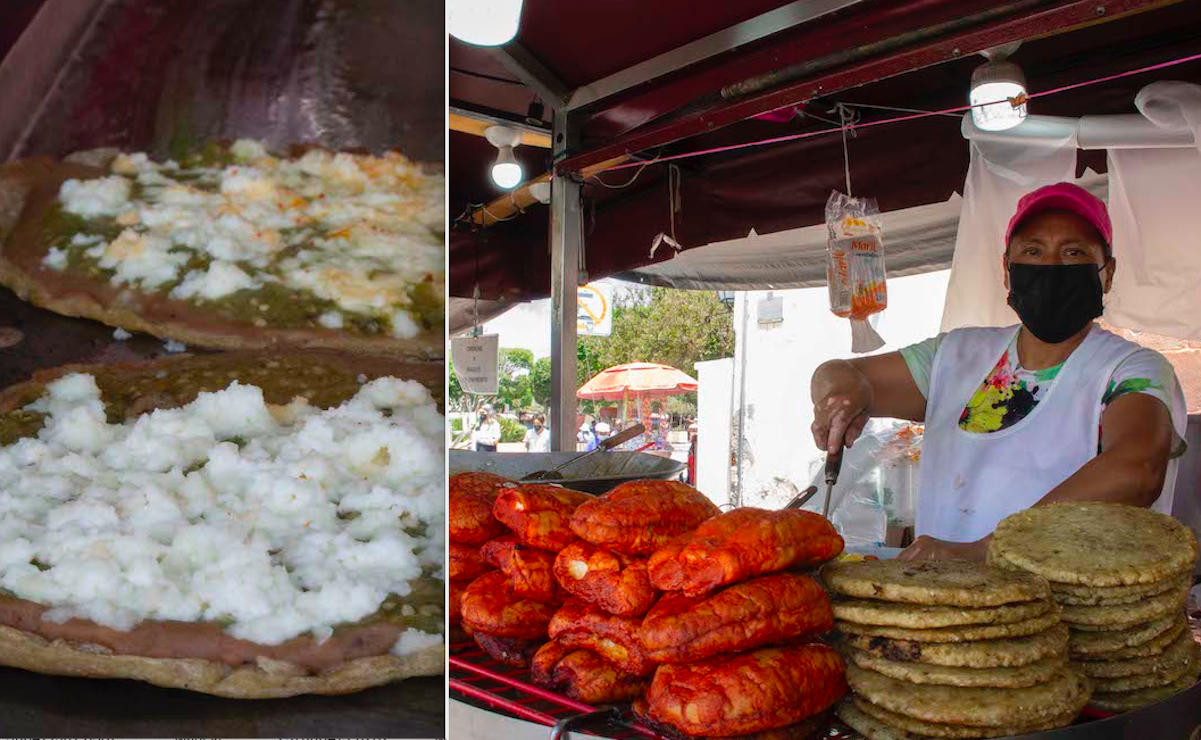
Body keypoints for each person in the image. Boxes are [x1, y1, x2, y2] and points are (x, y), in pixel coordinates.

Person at [809, 182, 1186, 562]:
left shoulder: (1130, 370)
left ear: (1107, 272)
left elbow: (1139, 468)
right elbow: (840, 371)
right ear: (1007, 271)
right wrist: (842, 397)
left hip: (1073, 616)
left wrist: (988, 552)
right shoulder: (955, 356)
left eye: (1074, 252)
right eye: (1033, 251)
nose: (1051, 267)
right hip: (946, 608)